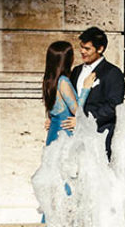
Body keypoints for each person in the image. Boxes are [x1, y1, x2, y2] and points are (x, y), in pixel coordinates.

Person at [40, 40, 94, 222]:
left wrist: (49, 119)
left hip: (53, 136)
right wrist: (86, 88)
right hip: (65, 134)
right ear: (67, 60)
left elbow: (51, 109)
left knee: (54, 182)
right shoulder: (63, 82)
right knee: (67, 182)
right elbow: (77, 110)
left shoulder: (48, 80)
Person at [67, 26, 125, 159]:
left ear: (100, 49)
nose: (82, 51)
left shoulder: (113, 73)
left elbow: (113, 106)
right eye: (81, 47)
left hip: (99, 135)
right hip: (75, 135)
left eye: (87, 49)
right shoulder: (76, 71)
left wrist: (85, 120)